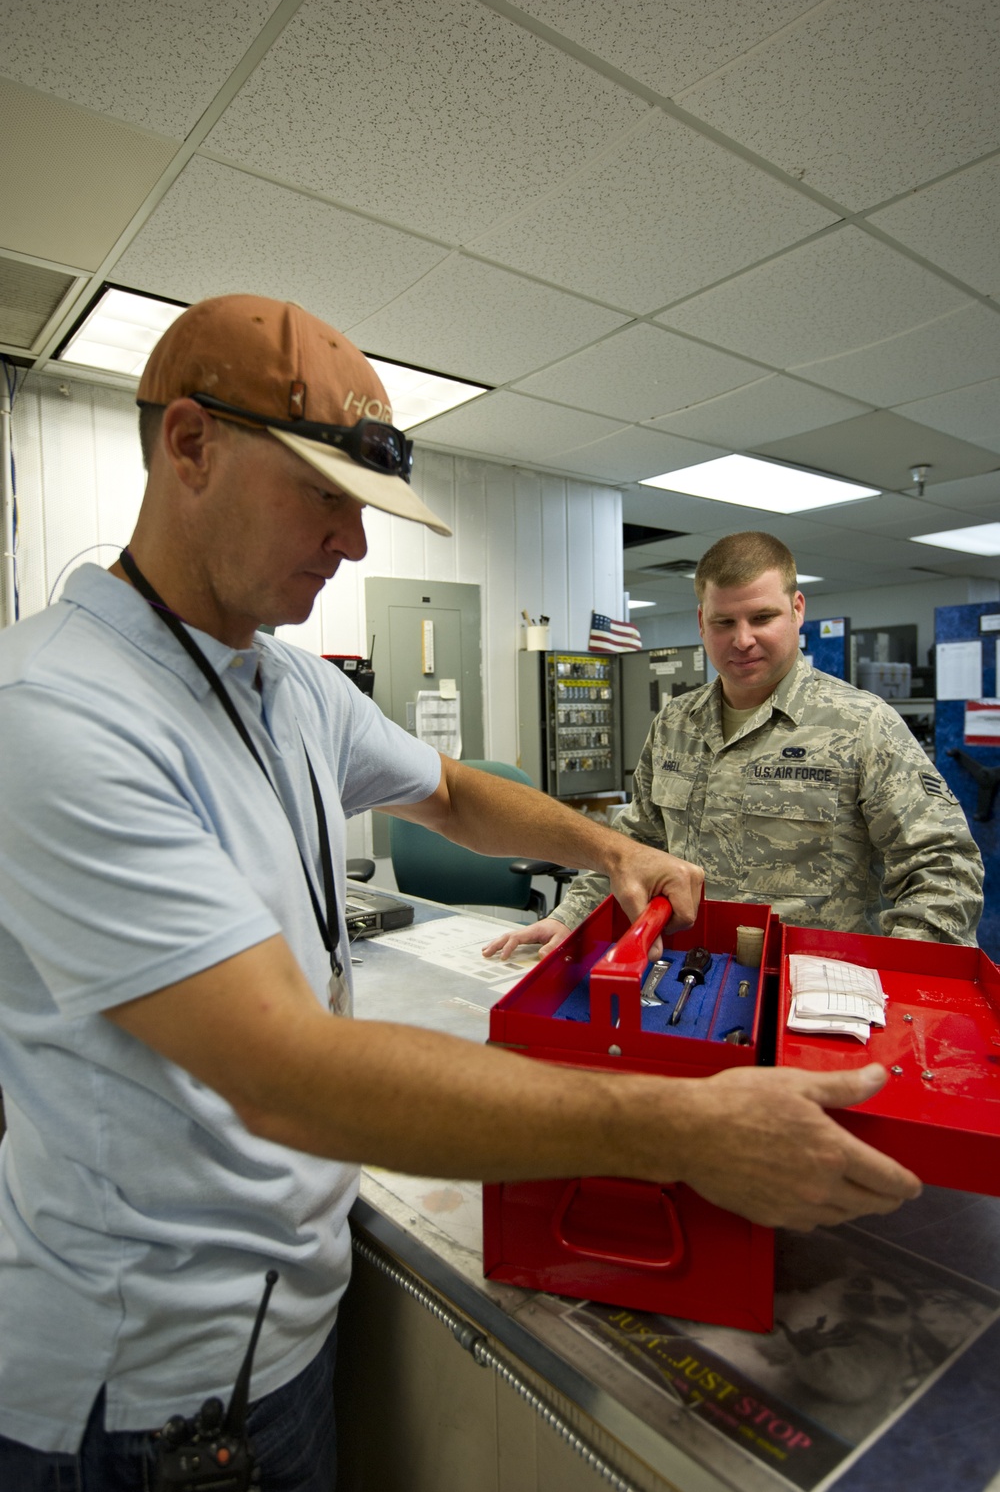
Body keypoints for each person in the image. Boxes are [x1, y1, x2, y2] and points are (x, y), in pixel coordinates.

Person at [0, 297, 921, 1490]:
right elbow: (282, 1076)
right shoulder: (59, 713)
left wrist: (608, 854)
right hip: (146, 1403)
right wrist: (677, 1130)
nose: (357, 544)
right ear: (190, 446)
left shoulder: (278, 682)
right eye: (323, 496)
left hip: (281, 1327)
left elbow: (448, 791)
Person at [485, 530, 983, 963]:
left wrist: (902, 974)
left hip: (814, 989)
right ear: (702, 622)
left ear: (797, 609)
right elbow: (634, 846)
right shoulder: (676, 723)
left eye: (762, 617)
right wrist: (569, 917)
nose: (742, 640)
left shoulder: (861, 724)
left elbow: (943, 865)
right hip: (688, 975)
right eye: (724, 622)